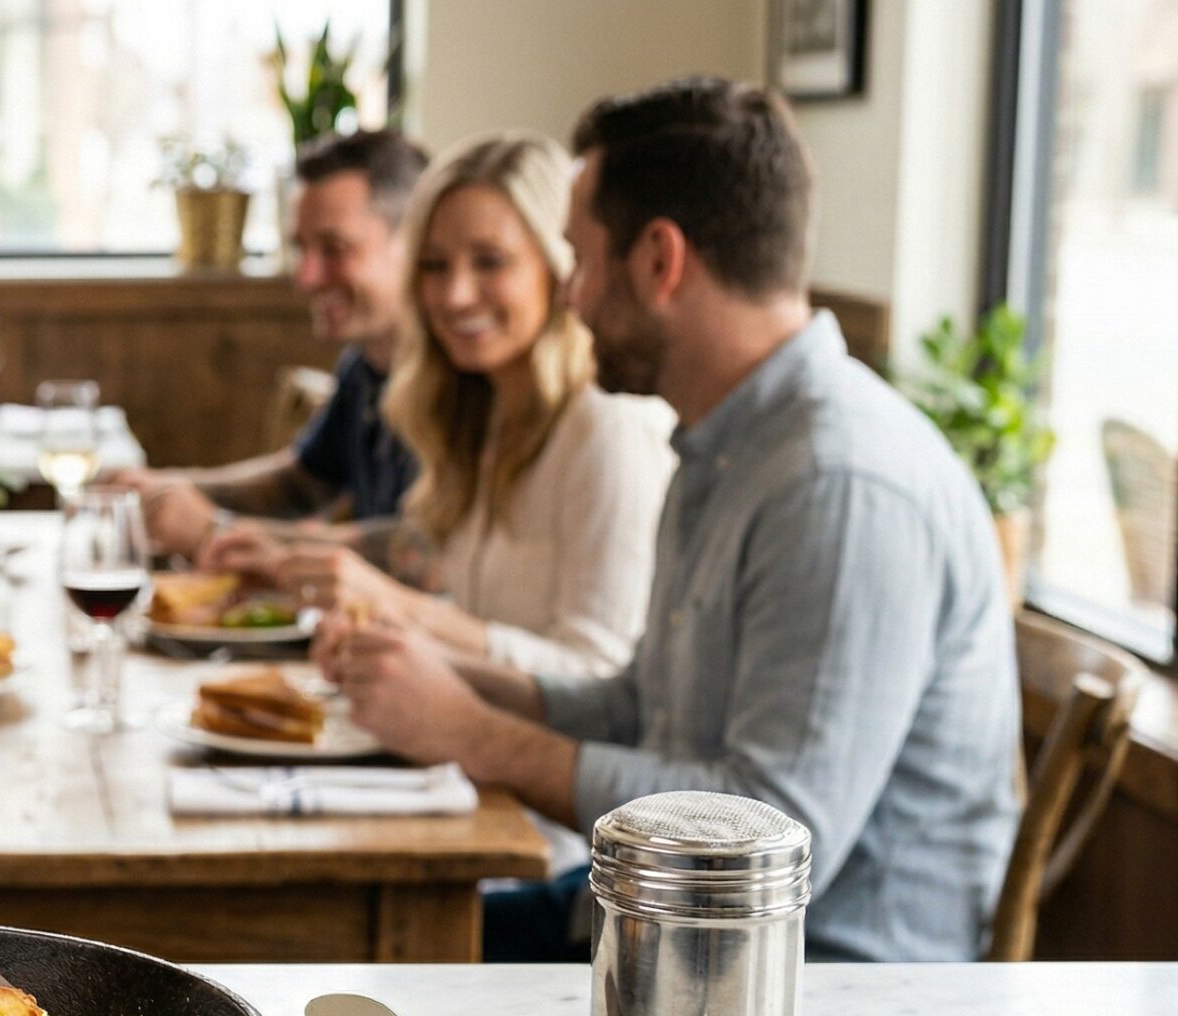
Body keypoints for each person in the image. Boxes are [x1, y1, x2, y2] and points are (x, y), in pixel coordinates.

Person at [323, 78, 1020, 964]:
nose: (568, 296)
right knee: (345, 957)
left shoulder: (838, 483)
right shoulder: (723, 442)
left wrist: (470, 732)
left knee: (368, 971)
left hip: (813, 989)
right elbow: (639, 705)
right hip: (665, 929)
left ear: (660, 261)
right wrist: (443, 677)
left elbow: (764, 838)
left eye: (579, 259)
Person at [210, 132, 672, 680]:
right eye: (434, 265)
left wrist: (398, 608)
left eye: (490, 262)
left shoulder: (607, 426)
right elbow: (469, 619)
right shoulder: (480, 408)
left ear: (558, 266)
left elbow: (601, 676)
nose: (453, 295)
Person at [97, 129, 428, 559]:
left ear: (415, 244)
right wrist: (167, 488)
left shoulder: (463, 377)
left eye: (334, 248)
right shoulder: (365, 365)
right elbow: (302, 481)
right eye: (301, 248)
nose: (306, 277)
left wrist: (214, 532)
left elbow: (427, 552)